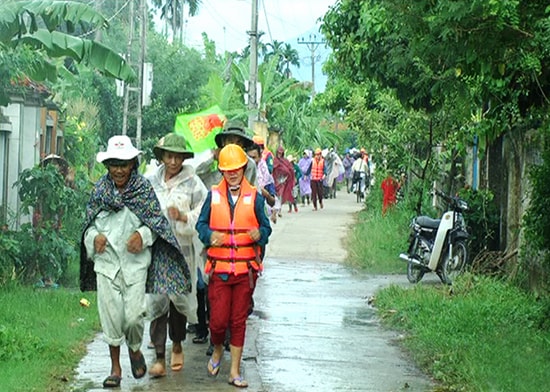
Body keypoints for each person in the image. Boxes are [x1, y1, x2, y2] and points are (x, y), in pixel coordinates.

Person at [80, 135, 191, 388]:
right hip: (107, 265)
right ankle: (115, 368)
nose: (119, 169)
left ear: (133, 164)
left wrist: (141, 236)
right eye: (114, 164)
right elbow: (86, 227)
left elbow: (156, 225)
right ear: (107, 165)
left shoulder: (142, 190)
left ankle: (134, 348)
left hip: (135, 265)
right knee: (111, 316)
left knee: (132, 317)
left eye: (124, 163)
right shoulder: (100, 191)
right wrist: (94, 238)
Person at [196, 144, 272, 388]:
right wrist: (209, 236)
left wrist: (258, 233)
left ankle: (235, 371)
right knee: (217, 322)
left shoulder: (255, 197)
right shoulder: (213, 195)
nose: (232, 173)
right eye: (227, 169)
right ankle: (217, 348)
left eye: (236, 169)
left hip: (245, 272)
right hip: (219, 270)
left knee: (238, 321)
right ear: (222, 171)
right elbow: (201, 226)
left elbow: (266, 229)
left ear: (243, 169)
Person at [145, 133, 208, 377]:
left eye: (178, 156)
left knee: (178, 301)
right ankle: (160, 355)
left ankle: (178, 343)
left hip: (182, 251)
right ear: (161, 156)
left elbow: (203, 210)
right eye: (169, 156)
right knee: (157, 300)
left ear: (184, 157)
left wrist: (183, 218)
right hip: (157, 250)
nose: (173, 161)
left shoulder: (193, 182)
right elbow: (142, 209)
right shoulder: (151, 181)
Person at [272, 146, 296, 214]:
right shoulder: (275, 160)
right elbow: (273, 169)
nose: (279, 154)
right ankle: (276, 208)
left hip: (283, 180)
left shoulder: (285, 161)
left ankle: (279, 210)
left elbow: (290, 169)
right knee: (276, 194)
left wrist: (288, 174)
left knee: (281, 194)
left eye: (281, 153)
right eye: (278, 153)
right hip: (276, 179)